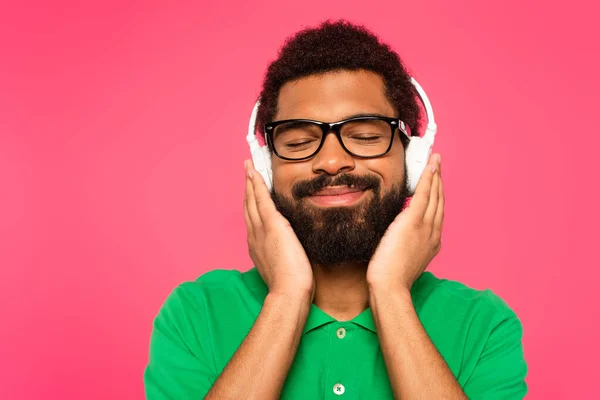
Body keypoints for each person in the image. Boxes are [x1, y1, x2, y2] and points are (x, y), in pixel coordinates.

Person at [144, 20, 528, 399]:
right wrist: (287, 296)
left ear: (412, 159)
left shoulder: (484, 326)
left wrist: (391, 294)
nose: (331, 162)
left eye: (364, 137)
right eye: (297, 142)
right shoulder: (196, 315)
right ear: (265, 165)